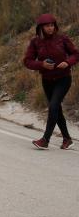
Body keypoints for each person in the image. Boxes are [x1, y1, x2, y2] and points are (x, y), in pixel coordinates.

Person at [24, 14, 77, 150]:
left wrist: (67, 62)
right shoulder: (35, 42)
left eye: (52, 25)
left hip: (63, 79)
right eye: (47, 26)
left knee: (53, 106)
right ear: (41, 28)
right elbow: (27, 61)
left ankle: (45, 139)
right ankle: (67, 139)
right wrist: (42, 64)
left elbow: (76, 54)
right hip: (47, 81)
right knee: (56, 109)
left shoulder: (62, 39)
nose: (50, 28)